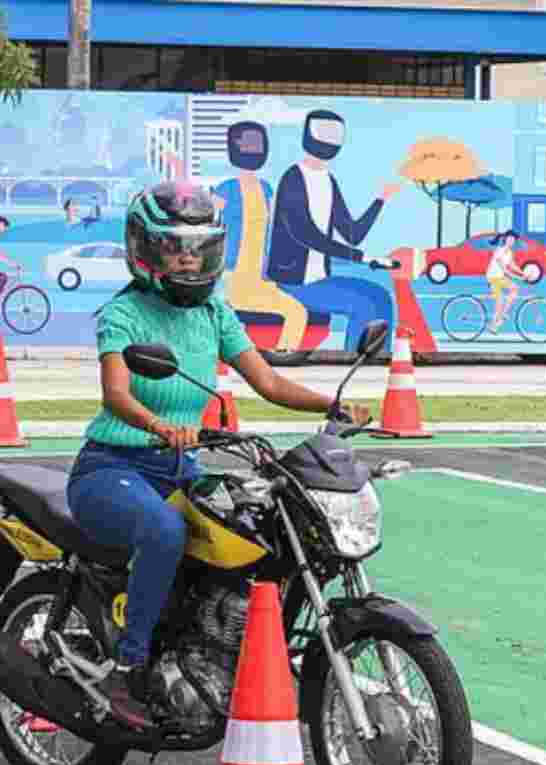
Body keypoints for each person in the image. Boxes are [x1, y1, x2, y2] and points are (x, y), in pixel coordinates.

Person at [67, 181, 369, 731]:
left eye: (197, 248)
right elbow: (117, 393)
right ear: (145, 249)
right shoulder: (123, 315)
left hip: (183, 466)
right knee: (163, 532)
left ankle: (208, 649)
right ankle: (127, 666)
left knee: (256, 528)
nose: (187, 258)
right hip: (113, 466)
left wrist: (336, 404)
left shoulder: (214, 313)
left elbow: (270, 383)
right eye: (174, 247)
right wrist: (159, 425)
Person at [263, 109, 399, 354]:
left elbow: (351, 233)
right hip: (294, 282)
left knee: (382, 297)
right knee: (362, 305)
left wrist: (380, 200)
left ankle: (379, 360)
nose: (329, 139)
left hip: (319, 278)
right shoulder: (292, 178)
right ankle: (354, 362)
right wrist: (362, 258)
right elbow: (307, 235)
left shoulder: (328, 180)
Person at [212, 119, 308, 351]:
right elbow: (210, 221)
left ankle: (283, 354)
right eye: (246, 144)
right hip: (232, 278)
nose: (252, 150)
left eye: (256, 144)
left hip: (260, 279)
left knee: (297, 312)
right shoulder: (226, 188)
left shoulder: (266, 188)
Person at [486, 230, 519, 332]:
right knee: (500, 301)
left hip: (500, 278)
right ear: (505, 239)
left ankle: (501, 316)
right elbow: (504, 268)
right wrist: (518, 277)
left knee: (514, 289)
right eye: (509, 239)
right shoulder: (499, 250)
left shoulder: (509, 253)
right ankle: (496, 322)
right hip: (493, 277)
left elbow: (513, 265)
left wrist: (524, 273)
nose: (511, 241)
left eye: (513, 240)